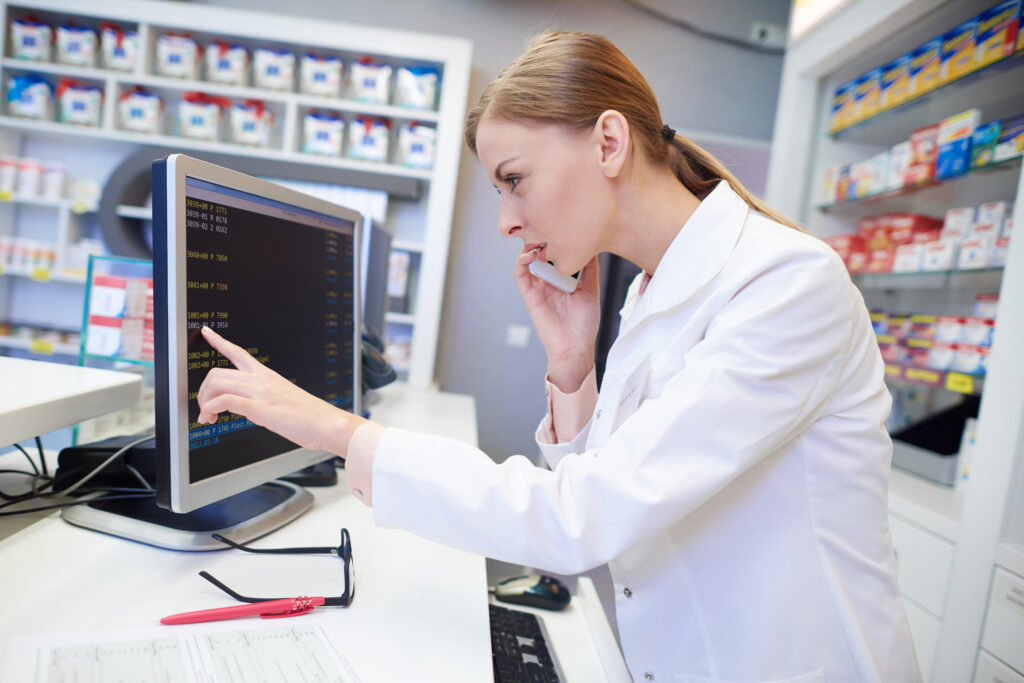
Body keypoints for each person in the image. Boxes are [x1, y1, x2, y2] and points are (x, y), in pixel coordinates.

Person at [197, 31, 921, 683]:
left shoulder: (787, 284)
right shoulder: (648, 293)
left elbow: (583, 517)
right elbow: (610, 485)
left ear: (609, 142)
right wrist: (574, 365)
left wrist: (333, 427)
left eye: (514, 179)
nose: (509, 220)